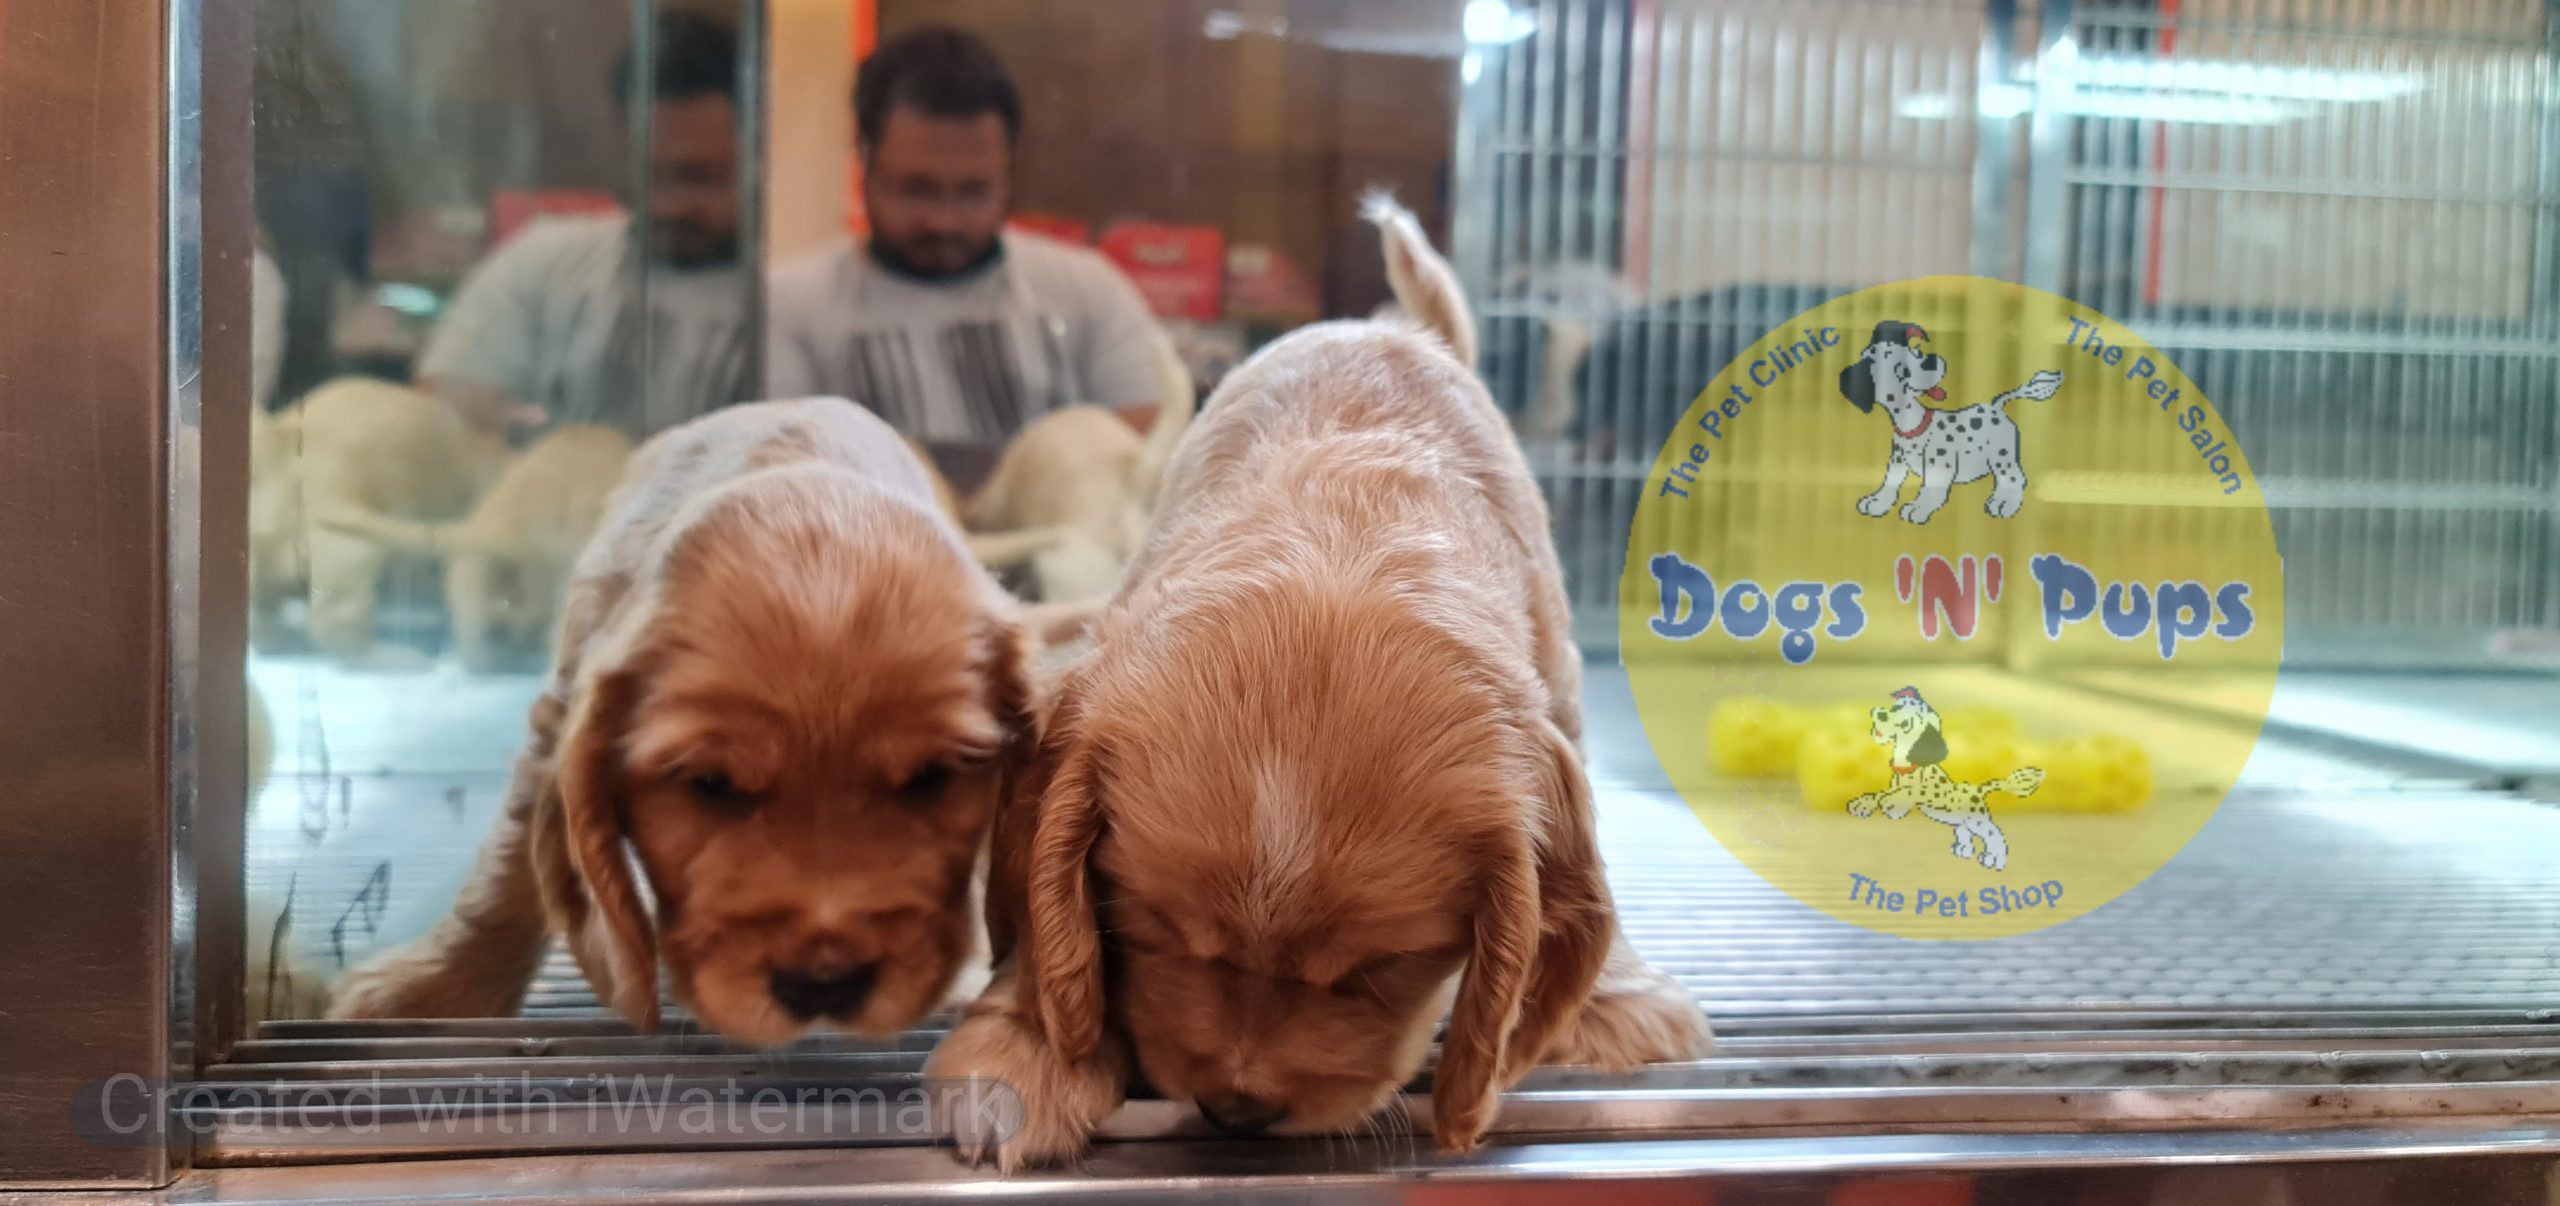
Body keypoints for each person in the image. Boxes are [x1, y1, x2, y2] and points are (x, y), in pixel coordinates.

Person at [766, 26, 1177, 443]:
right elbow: (778, 461)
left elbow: (1149, 452)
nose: (944, 221)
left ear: (1009, 172)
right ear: (864, 159)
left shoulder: (1089, 292)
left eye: (973, 192)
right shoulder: (791, 308)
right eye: (916, 189)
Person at [417, 7, 754, 440]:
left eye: (698, 177)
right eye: (647, 175)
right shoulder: (542, 263)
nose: (667, 205)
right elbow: (442, 418)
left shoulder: (785, 303)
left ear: (757, 161)